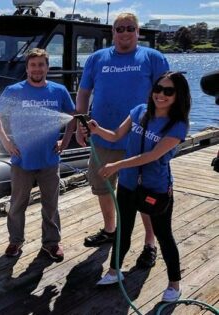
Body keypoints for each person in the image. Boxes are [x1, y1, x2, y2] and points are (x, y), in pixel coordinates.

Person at [84, 71, 190, 302]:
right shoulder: (139, 110)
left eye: (168, 91)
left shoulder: (177, 126)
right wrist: (96, 129)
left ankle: (174, 284)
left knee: (164, 235)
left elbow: (152, 156)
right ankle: (114, 271)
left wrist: (117, 164)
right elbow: (114, 136)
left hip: (156, 188)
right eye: (158, 88)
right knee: (124, 229)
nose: (161, 94)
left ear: (178, 95)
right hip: (128, 184)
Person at [76, 13, 170, 268]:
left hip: (141, 143)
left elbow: (169, 95)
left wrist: (166, 132)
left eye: (130, 28)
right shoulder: (97, 59)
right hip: (103, 138)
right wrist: (80, 123)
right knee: (102, 187)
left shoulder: (153, 58)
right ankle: (110, 230)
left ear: (138, 31)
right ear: (113, 31)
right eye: (120, 29)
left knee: (143, 194)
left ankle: (149, 243)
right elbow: (84, 91)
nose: (125, 33)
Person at [0, 48, 76, 261]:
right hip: (22, 160)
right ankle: (15, 241)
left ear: (47, 67)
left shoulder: (59, 91)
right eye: (33, 65)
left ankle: (51, 243)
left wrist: (65, 141)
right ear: (27, 68)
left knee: (51, 204)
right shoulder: (14, 90)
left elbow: (73, 117)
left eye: (41, 64)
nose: (37, 68)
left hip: (49, 160)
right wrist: (6, 141)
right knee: (18, 203)